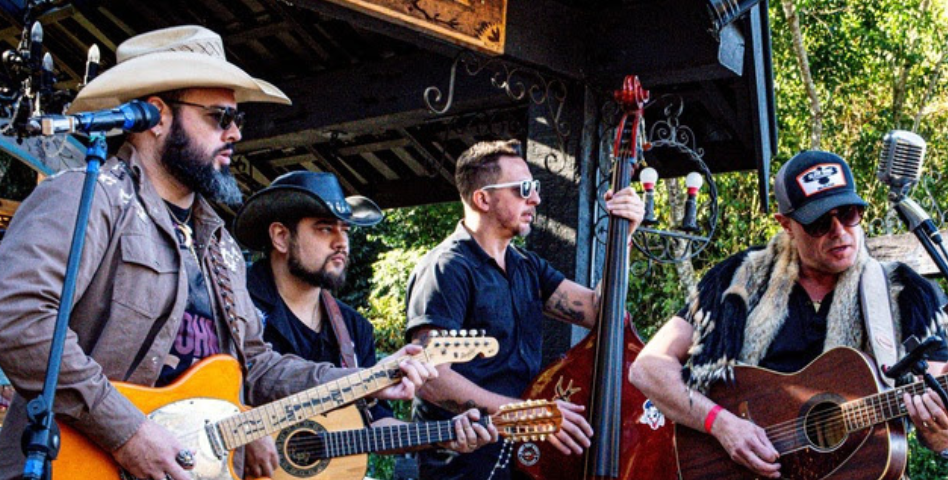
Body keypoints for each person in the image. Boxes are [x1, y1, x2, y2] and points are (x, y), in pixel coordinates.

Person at [0, 26, 435, 480]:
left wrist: (367, 379)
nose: (234, 134)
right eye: (218, 117)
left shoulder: (219, 243)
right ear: (156, 116)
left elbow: (258, 366)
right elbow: (19, 317)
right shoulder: (87, 197)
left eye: (237, 121)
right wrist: (127, 432)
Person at [629, 150, 948, 478]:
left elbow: (943, 439)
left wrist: (940, 423)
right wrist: (722, 423)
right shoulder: (738, 281)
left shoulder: (906, 294)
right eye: (819, 222)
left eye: (848, 214)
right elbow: (648, 368)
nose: (838, 231)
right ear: (786, 224)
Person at [402, 139, 645, 479]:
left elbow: (602, 313)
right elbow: (431, 379)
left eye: (536, 187)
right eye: (523, 188)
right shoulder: (446, 268)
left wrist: (625, 236)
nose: (536, 198)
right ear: (482, 198)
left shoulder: (526, 266)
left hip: (520, 457)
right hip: (463, 467)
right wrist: (528, 414)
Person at [234, 171, 498, 477]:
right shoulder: (236, 305)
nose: (341, 243)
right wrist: (247, 432)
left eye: (345, 230)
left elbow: (376, 423)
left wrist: (443, 435)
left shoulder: (352, 327)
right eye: (324, 229)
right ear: (281, 237)